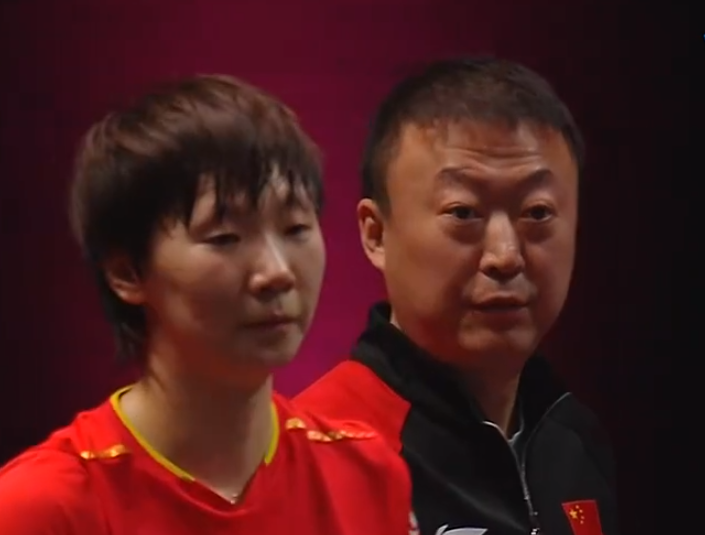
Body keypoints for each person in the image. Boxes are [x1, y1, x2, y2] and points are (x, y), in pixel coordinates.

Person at [0, 74, 414, 534]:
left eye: (295, 228)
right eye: (224, 238)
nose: (277, 272)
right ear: (127, 273)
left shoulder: (368, 475)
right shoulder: (43, 507)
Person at [295, 58, 620, 535]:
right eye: (464, 212)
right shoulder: (315, 457)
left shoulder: (574, 440)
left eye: (537, 213)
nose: (505, 256)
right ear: (376, 234)